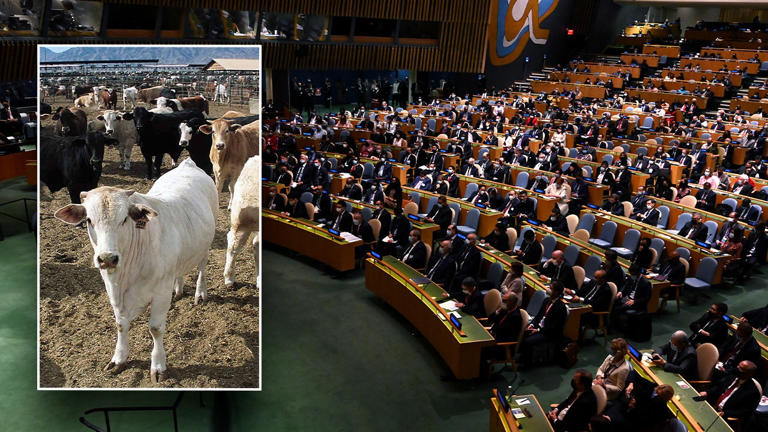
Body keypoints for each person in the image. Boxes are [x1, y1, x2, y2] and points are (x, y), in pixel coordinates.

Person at [701, 361, 761, 425]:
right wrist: (707, 392)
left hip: (723, 417)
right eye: (738, 366)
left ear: (749, 374)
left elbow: (744, 412)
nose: (737, 368)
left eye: (741, 369)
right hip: (710, 405)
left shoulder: (752, 392)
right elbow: (718, 387)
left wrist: (725, 413)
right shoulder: (732, 376)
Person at [521, 281, 568, 365]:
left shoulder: (560, 307)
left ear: (556, 292)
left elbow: (553, 327)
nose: (548, 289)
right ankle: (522, 356)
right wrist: (532, 325)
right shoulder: (546, 300)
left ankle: (527, 363)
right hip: (539, 327)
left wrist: (538, 330)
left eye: (551, 288)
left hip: (549, 333)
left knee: (528, 341)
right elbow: (538, 316)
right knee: (522, 332)